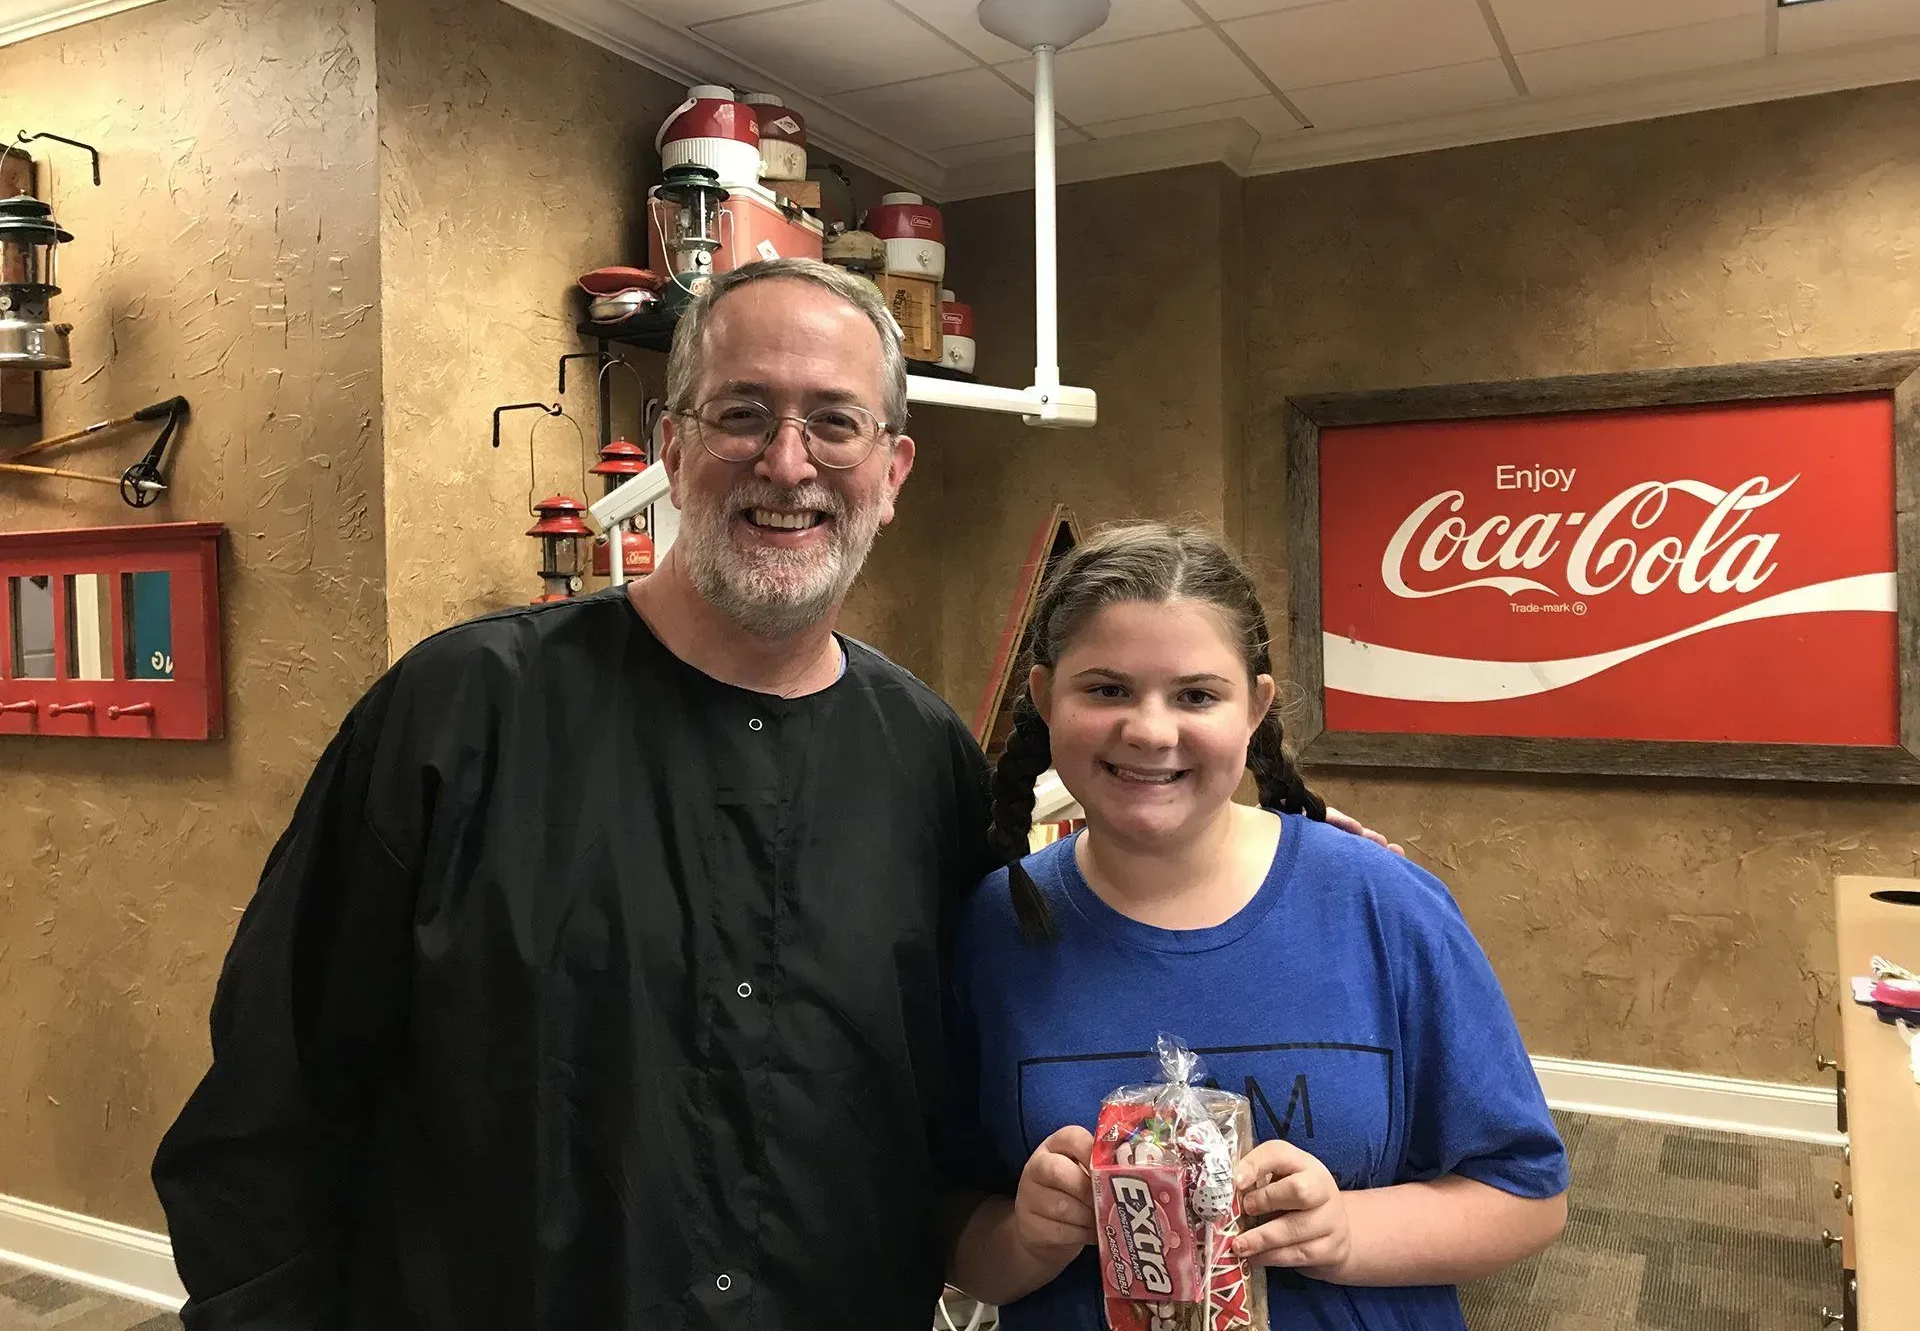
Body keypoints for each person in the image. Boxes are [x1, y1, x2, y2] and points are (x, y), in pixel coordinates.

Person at [152, 259, 1399, 1330]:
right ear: (677, 443)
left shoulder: (925, 761)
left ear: (893, 467)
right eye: (744, 411)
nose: (788, 462)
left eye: (835, 422)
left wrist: (1256, 851)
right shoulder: (461, 712)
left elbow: (1015, 1010)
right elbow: (272, 1102)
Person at [941, 523, 1569, 1330]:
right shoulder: (994, 928)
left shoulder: (1384, 905)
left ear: (1255, 707)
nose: (1151, 730)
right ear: (1043, 697)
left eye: (1197, 695)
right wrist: (1027, 1236)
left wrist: (1344, 1231)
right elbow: (948, 1224)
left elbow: (1527, 1196)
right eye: (1105, 689)